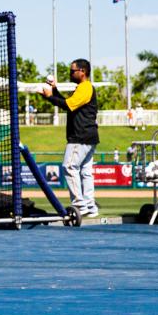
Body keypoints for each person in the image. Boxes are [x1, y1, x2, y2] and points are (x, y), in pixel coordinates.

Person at [41, 58, 100, 218]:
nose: (70, 73)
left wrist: (49, 96)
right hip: (88, 136)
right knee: (85, 172)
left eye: (72, 70)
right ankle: (90, 206)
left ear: (82, 71)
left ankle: (80, 205)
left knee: (69, 167)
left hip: (80, 136)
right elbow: (69, 103)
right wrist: (54, 91)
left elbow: (67, 105)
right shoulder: (83, 88)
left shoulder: (85, 87)